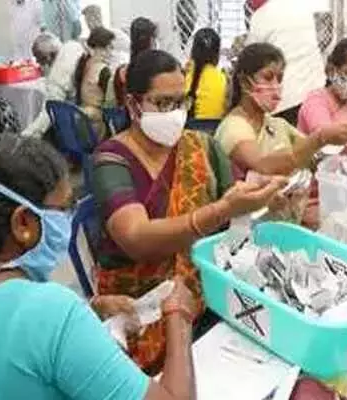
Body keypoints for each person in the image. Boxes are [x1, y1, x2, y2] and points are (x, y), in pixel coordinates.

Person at [0, 134, 198, 400]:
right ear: (23, 223)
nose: (70, 217)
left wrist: (91, 309)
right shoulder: (51, 314)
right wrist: (179, 318)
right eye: (65, 208)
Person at [92, 49, 285, 374]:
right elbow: (136, 238)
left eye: (181, 102)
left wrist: (264, 199)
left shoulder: (201, 147)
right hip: (138, 310)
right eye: (163, 103)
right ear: (133, 104)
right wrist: (221, 210)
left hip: (203, 296)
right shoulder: (112, 160)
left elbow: (234, 208)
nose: (175, 113)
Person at [216, 43, 347, 179]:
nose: (275, 86)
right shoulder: (233, 127)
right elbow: (263, 166)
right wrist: (320, 138)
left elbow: (311, 155)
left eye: (279, 79)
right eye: (267, 78)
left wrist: (340, 150)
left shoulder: (277, 125)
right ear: (244, 82)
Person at [246, 0, 326, 125]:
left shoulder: (261, 16)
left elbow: (250, 58)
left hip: (285, 100)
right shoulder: (304, 6)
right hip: (316, 91)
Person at [23, 32, 85, 138]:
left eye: (39, 59)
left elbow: (48, 114)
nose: (37, 62)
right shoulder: (73, 45)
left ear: (48, 57)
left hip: (80, 118)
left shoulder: (57, 76)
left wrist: (25, 136)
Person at [73, 27, 116, 138]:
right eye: (111, 47)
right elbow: (111, 102)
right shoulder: (102, 70)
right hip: (96, 125)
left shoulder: (83, 62)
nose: (112, 52)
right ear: (102, 48)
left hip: (82, 119)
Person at [114, 17, 158, 106]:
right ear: (151, 40)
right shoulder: (160, 69)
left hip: (130, 113)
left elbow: (119, 102)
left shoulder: (122, 72)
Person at [185, 28, 228, 120]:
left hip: (186, 127)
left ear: (193, 51)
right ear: (217, 54)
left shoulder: (183, 76)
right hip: (215, 127)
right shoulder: (223, 79)